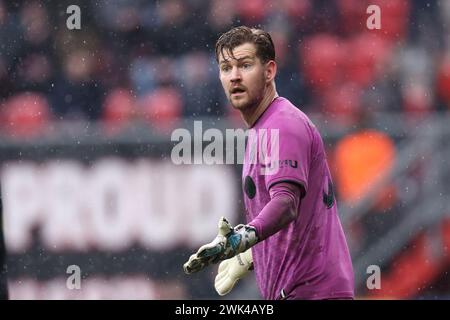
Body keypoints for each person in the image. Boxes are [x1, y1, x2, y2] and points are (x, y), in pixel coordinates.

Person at [183, 26, 354, 300]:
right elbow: (296, 223)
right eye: (226, 68)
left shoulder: (283, 125)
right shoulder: (263, 129)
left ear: (269, 71)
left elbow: (286, 203)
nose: (234, 76)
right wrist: (251, 255)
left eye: (245, 65)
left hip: (311, 292)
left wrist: (242, 240)